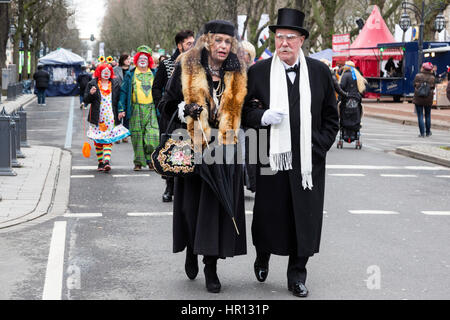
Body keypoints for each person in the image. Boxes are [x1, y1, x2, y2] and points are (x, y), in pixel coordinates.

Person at [241, 8, 339, 298]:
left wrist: (316, 147)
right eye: (279, 37)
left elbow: (332, 119)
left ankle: (297, 274)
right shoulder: (257, 72)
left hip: (308, 163)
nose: (284, 42)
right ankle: (263, 256)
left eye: (290, 37)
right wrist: (261, 117)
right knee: (268, 215)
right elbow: (243, 112)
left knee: (304, 217)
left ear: (301, 41)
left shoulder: (320, 72)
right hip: (271, 157)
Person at [159, 20, 248, 294]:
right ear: (207, 41)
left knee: (217, 210)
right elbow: (165, 106)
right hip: (194, 149)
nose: (223, 46)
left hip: (225, 150)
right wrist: (185, 108)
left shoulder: (239, 71)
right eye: (218, 40)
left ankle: (211, 267)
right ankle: (191, 249)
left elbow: (248, 110)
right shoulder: (187, 66)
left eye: (228, 42)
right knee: (192, 209)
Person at [153, 30, 195, 203]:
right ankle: (169, 186)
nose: (192, 46)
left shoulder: (197, 63)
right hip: (172, 115)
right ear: (180, 45)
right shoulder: (168, 64)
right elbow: (156, 87)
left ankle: (187, 188)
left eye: (194, 42)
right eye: (188, 43)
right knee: (171, 150)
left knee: (188, 152)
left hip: (193, 116)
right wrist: (161, 107)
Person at [118, 45, 159, 171]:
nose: (142, 60)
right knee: (136, 137)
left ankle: (150, 159)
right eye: (140, 57)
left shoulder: (154, 73)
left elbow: (160, 90)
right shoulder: (131, 74)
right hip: (135, 109)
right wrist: (121, 108)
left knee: (153, 136)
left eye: (145, 58)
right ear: (136, 59)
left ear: (149, 60)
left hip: (151, 109)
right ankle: (138, 162)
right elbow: (124, 92)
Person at [84, 63, 130, 172]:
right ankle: (100, 162)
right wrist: (90, 94)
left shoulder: (115, 84)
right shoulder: (92, 83)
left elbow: (120, 99)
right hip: (97, 116)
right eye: (104, 71)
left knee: (108, 139)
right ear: (99, 72)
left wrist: (121, 110)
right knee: (98, 140)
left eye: (108, 71)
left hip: (110, 116)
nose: (106, 73)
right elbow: (86, 100)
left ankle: (107, 161)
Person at [413, 62, 436, 137]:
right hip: (428, 98)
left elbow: (414, 85)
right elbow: (433, 87)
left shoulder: (418, 76)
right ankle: (428, 132)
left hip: (418, 98)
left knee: (420, 116)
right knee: (428, 115)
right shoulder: (432, 77)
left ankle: (422, 133)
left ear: (423, 68)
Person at [113, 53, 132, 143]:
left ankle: (125, 135)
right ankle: (118, 135)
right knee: (118, 115)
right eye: (127, 59)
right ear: (122, 60)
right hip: (117, 94)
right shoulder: (115, 70)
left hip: (128, 94)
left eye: (129, 59)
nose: (129, 60)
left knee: (127, 115)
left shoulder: (132, 70)